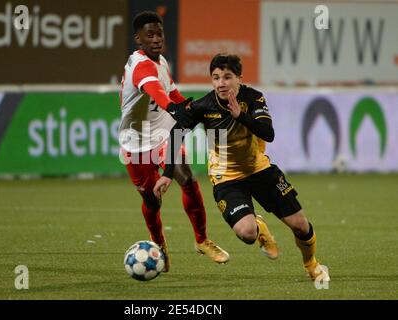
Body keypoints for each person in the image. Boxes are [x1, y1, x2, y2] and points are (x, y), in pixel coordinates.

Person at [154, 54, 330, 282]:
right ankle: (258, 227)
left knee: (300, 225)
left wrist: (240, 115)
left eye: (227, 77)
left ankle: (311, 264)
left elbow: (269, 134)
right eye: (216, 78)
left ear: (239, 78)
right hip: (226, 176)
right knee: (247, 234)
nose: (221, 83)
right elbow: (176, 133)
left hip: (260, 170)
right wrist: (167, 175)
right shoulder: (203, 105)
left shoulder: (253, 98)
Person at [118, 12, 229, 272]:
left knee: (187, 178)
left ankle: (202, 240)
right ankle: (158, 244)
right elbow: (154, 90)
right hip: (136, 144)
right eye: (150, 35)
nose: (157, 39)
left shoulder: (161, 62)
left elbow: (169, 91)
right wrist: (172, 106)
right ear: (138, 39)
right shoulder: (140, 65)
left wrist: (188, 106)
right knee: (152, 201)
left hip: (163, 134)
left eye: (160, 34)